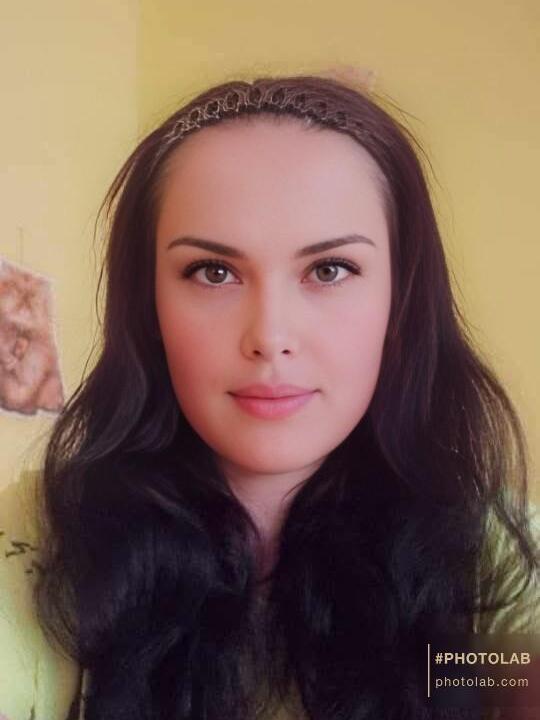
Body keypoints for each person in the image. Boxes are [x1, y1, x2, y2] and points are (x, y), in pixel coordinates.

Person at [0, 74, 538, 720]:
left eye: (330, 270)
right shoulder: (42, 531)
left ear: (399, 302)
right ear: (149, 306)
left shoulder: (495, 556)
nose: (270, 336)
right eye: (213, 272)